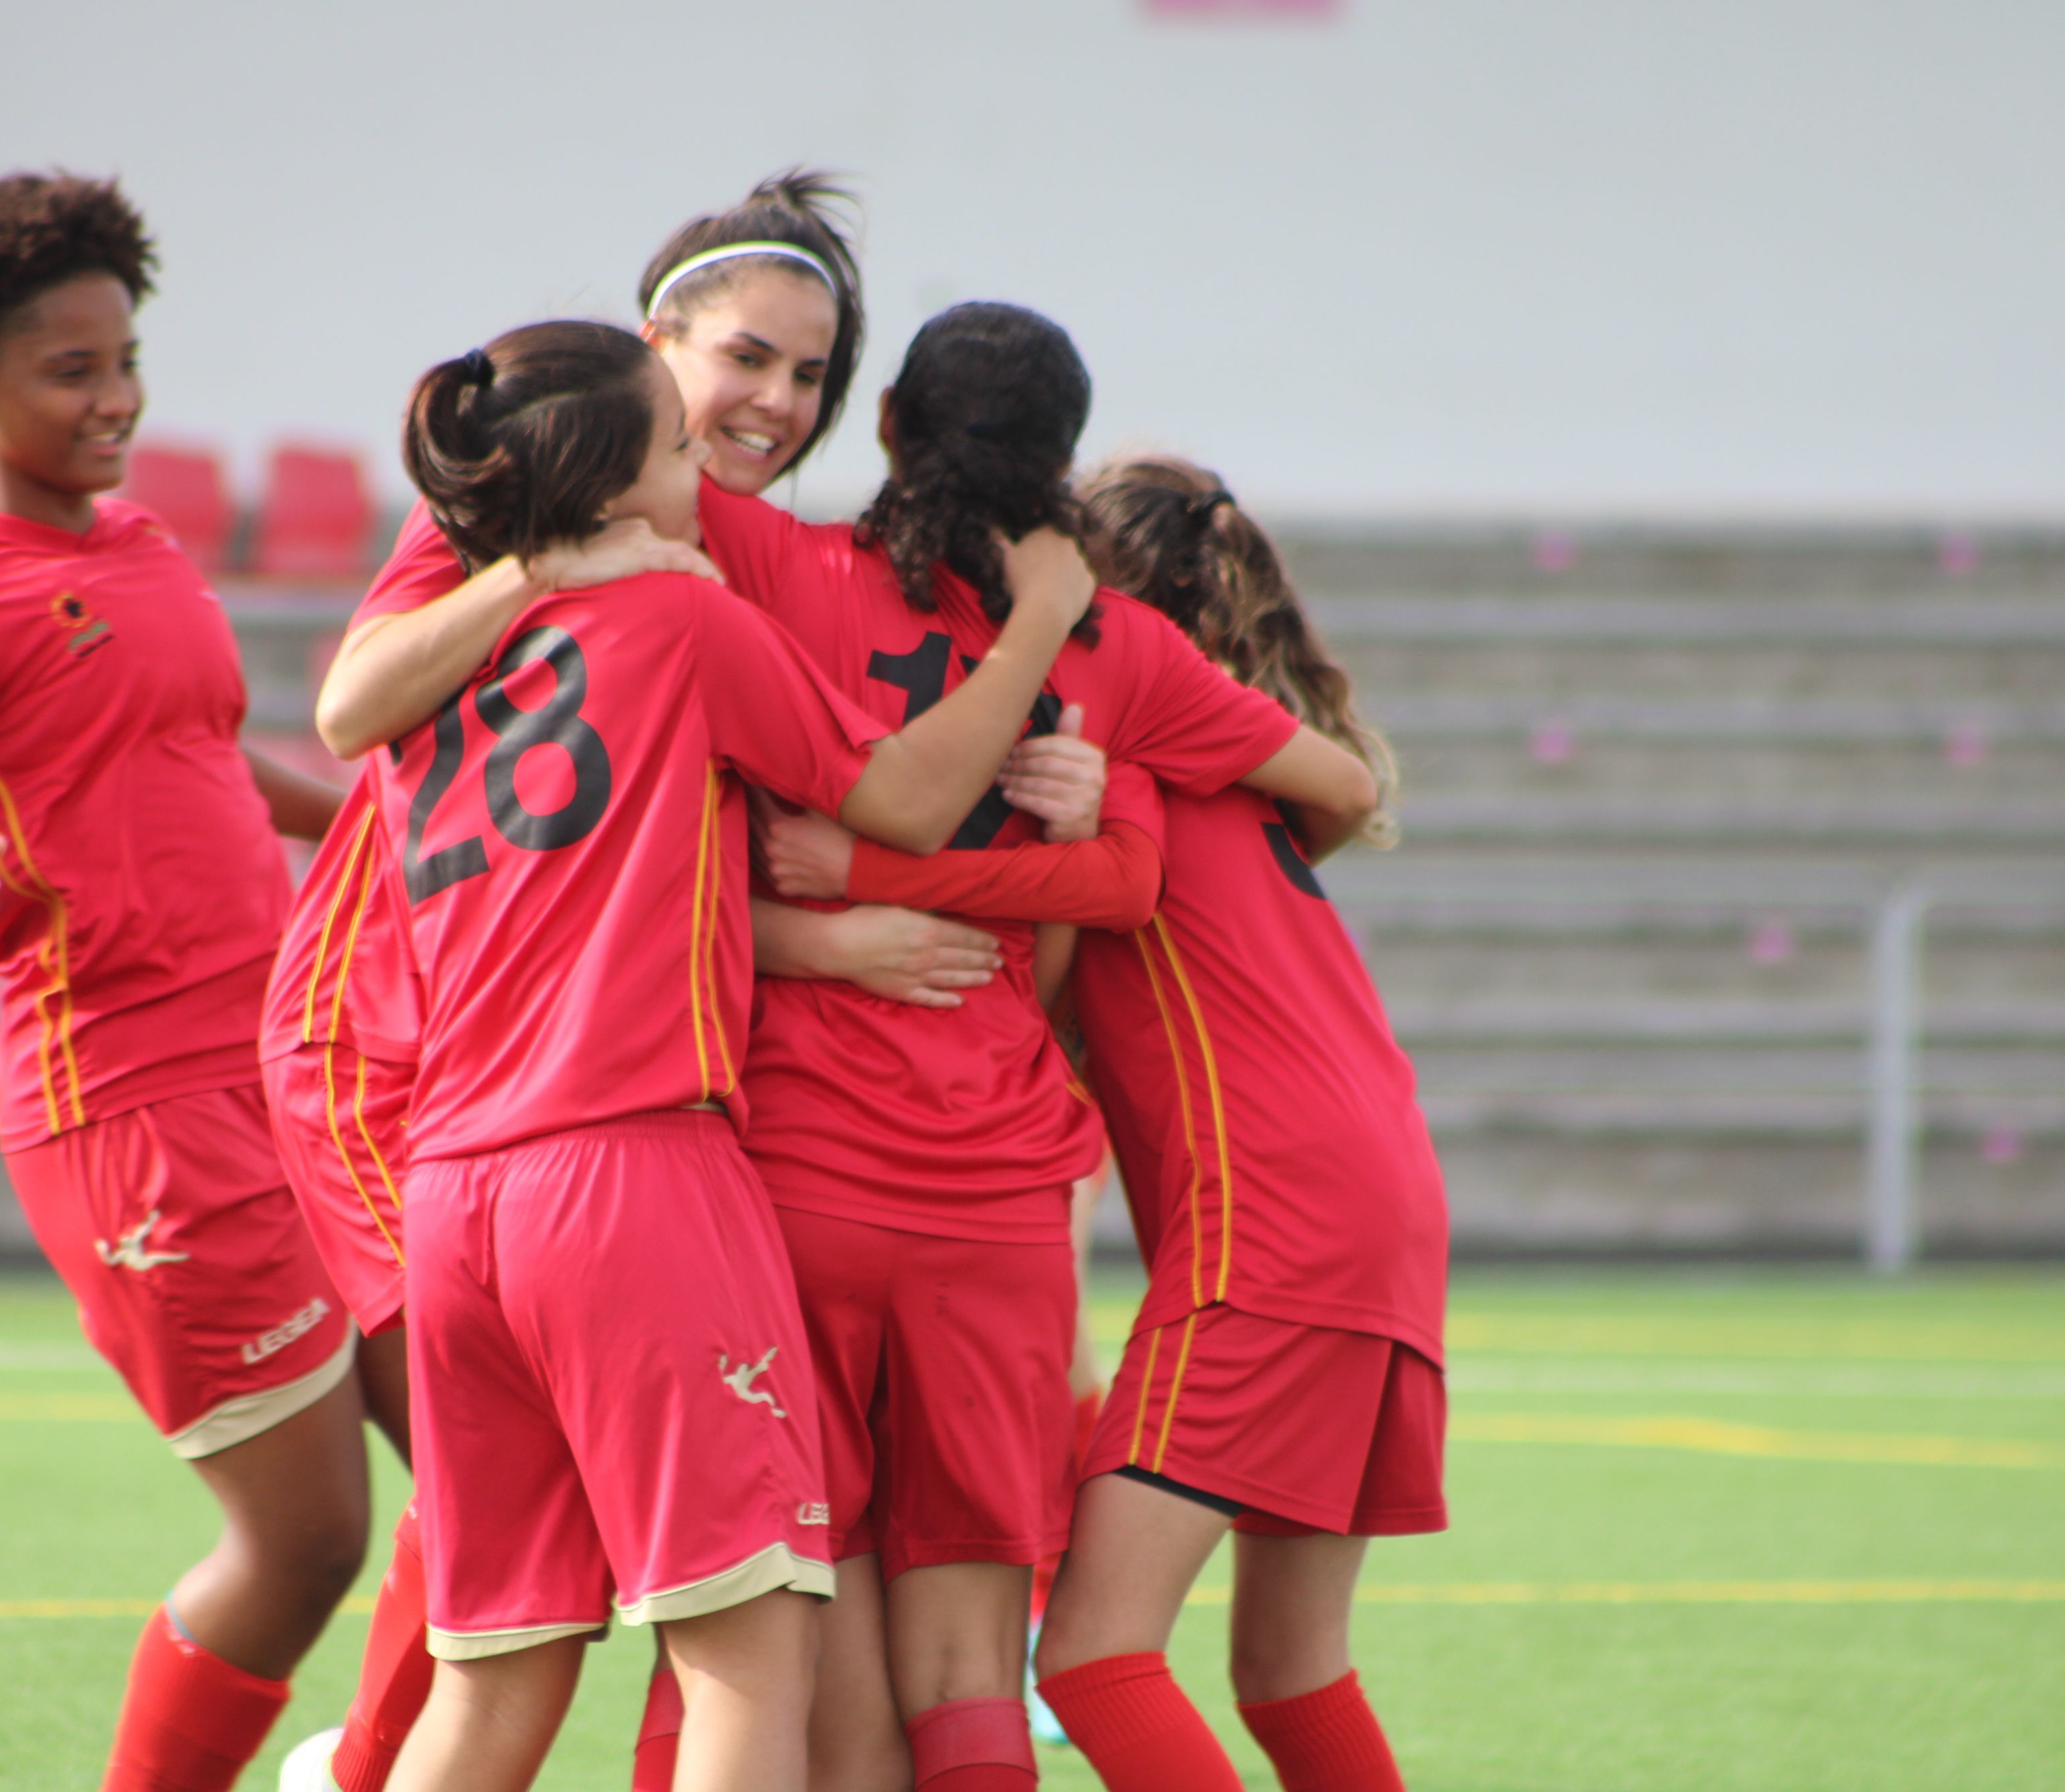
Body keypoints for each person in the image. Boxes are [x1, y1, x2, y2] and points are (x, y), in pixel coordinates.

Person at [322, 299, 1365, 1792]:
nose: (730, 457)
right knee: (799, 1661)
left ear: (880, 423)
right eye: (692, 433)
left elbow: (349, 703)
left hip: (488, 1186)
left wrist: (820, 913)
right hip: (693, 1178)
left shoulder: (452, 672)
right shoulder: (728, 610)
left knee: (505, 1687)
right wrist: (1083, 731)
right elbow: (961, 813)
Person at [270, 171, 1023, 1792]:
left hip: (460, 1181)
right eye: (723, 385)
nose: (758, 420)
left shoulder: (482, 622)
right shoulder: (678, 608)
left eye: (810, 377)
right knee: (754, 1665)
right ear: (643, 370)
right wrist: (1039, 668)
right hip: (621, 1165)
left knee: (496, 1678)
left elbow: (393, 739)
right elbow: (884, 797)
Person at [0, 172, 367, 1792]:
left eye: (127, 358)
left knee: (508, 1470)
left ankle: (371, 1769)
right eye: (72, 371)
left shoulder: (144, 545)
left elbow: (202, 754)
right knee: (309, 1541)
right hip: (133, 1108)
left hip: (301, 1066)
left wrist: (395, 819)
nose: (119, 401)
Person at [776, 457, 1438, 1792]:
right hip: (1386, 1202)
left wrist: (837, 888)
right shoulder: (1234, 764)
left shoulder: (1114, 748)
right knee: (1293, 1666)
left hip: (1273, 1218)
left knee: (1088, 1655)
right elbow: (1346, 798)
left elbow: (1051, 947)